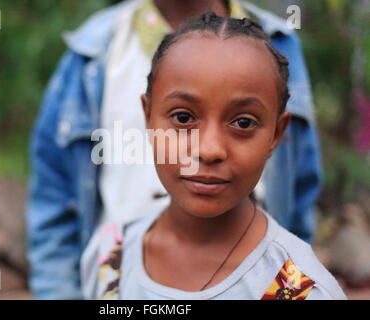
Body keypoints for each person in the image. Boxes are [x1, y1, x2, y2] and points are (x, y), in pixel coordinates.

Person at [27, 0, 322, 299]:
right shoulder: (93, 51)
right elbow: (54, 202)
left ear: (276, 133)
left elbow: (298, 196)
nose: (208, 151)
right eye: (182, 118)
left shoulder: (281, 43)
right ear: (147, 113)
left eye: (243, 122)